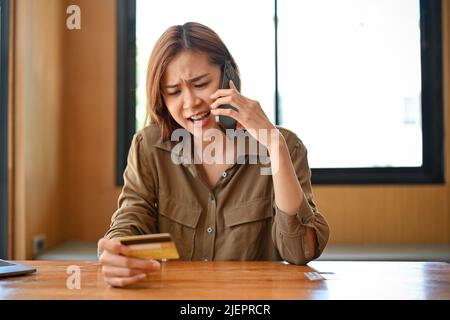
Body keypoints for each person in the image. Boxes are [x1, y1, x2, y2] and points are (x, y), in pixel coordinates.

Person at [98, 22, 330, 288]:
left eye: (200, 84)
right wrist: (116, 251)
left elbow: (300, 252)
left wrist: (274, 145)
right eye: (173, 91)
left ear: (228, 75)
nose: (190, 103)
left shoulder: (283, 145)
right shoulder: (149, 147)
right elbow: (131, 218)